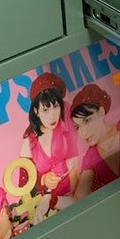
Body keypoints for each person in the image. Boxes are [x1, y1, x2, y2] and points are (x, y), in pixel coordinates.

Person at [19, 71, 79, 203]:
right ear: (36, 111)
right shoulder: (29, 140)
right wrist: (43, 180)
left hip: (78, 191)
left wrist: (77, 196)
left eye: (56, 107)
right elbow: (23, 184)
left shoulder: (66, 115)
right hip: (49, 203)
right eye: (45, 110)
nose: (52, 116)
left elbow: (75, 159)